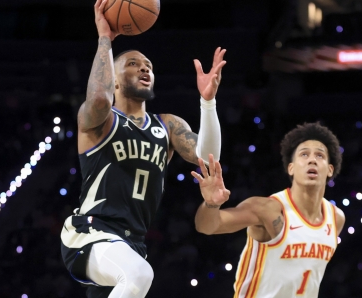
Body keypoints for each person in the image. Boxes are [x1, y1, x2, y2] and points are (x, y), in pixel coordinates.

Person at [60, 0, 227, 297]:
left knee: (136, 276)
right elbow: (99, 99)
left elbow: (207, 156)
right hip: (92, 232)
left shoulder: (167, 126)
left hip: (132, 243)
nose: (144, 68)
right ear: (115, 79)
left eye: (148, 66)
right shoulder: (101, 121)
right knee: (138, 275)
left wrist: (208, 101)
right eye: (133, 64)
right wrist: (105, 40)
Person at [192, 122, 346, 298]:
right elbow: (206, 227)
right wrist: (211, 204)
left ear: (330, 169)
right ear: (291, 167)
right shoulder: (267, 209)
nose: (312, 159)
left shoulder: (336, 218)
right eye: (304, 154)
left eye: (320, 155)